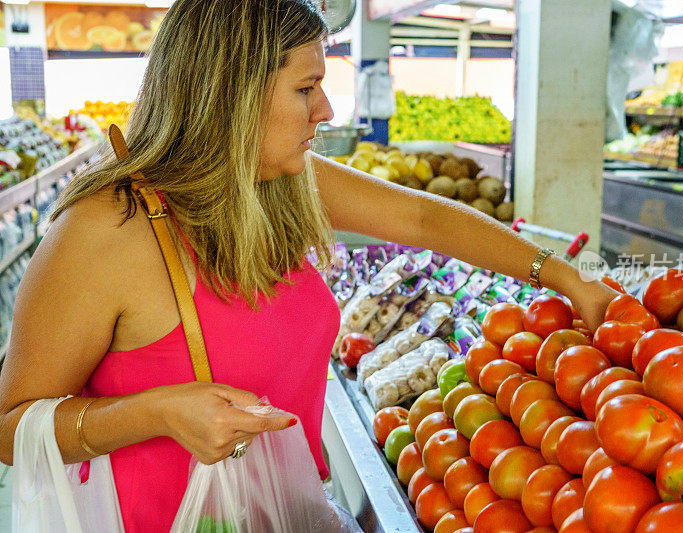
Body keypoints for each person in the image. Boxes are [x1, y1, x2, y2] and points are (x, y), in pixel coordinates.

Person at [0, 0, 617, 531]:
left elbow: (425, 220)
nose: (325, 110)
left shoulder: (276, 185)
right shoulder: (107, 230)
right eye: (305, 88)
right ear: (231, 92)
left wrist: (563, 276)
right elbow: (10, 426)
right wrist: (159, 412)